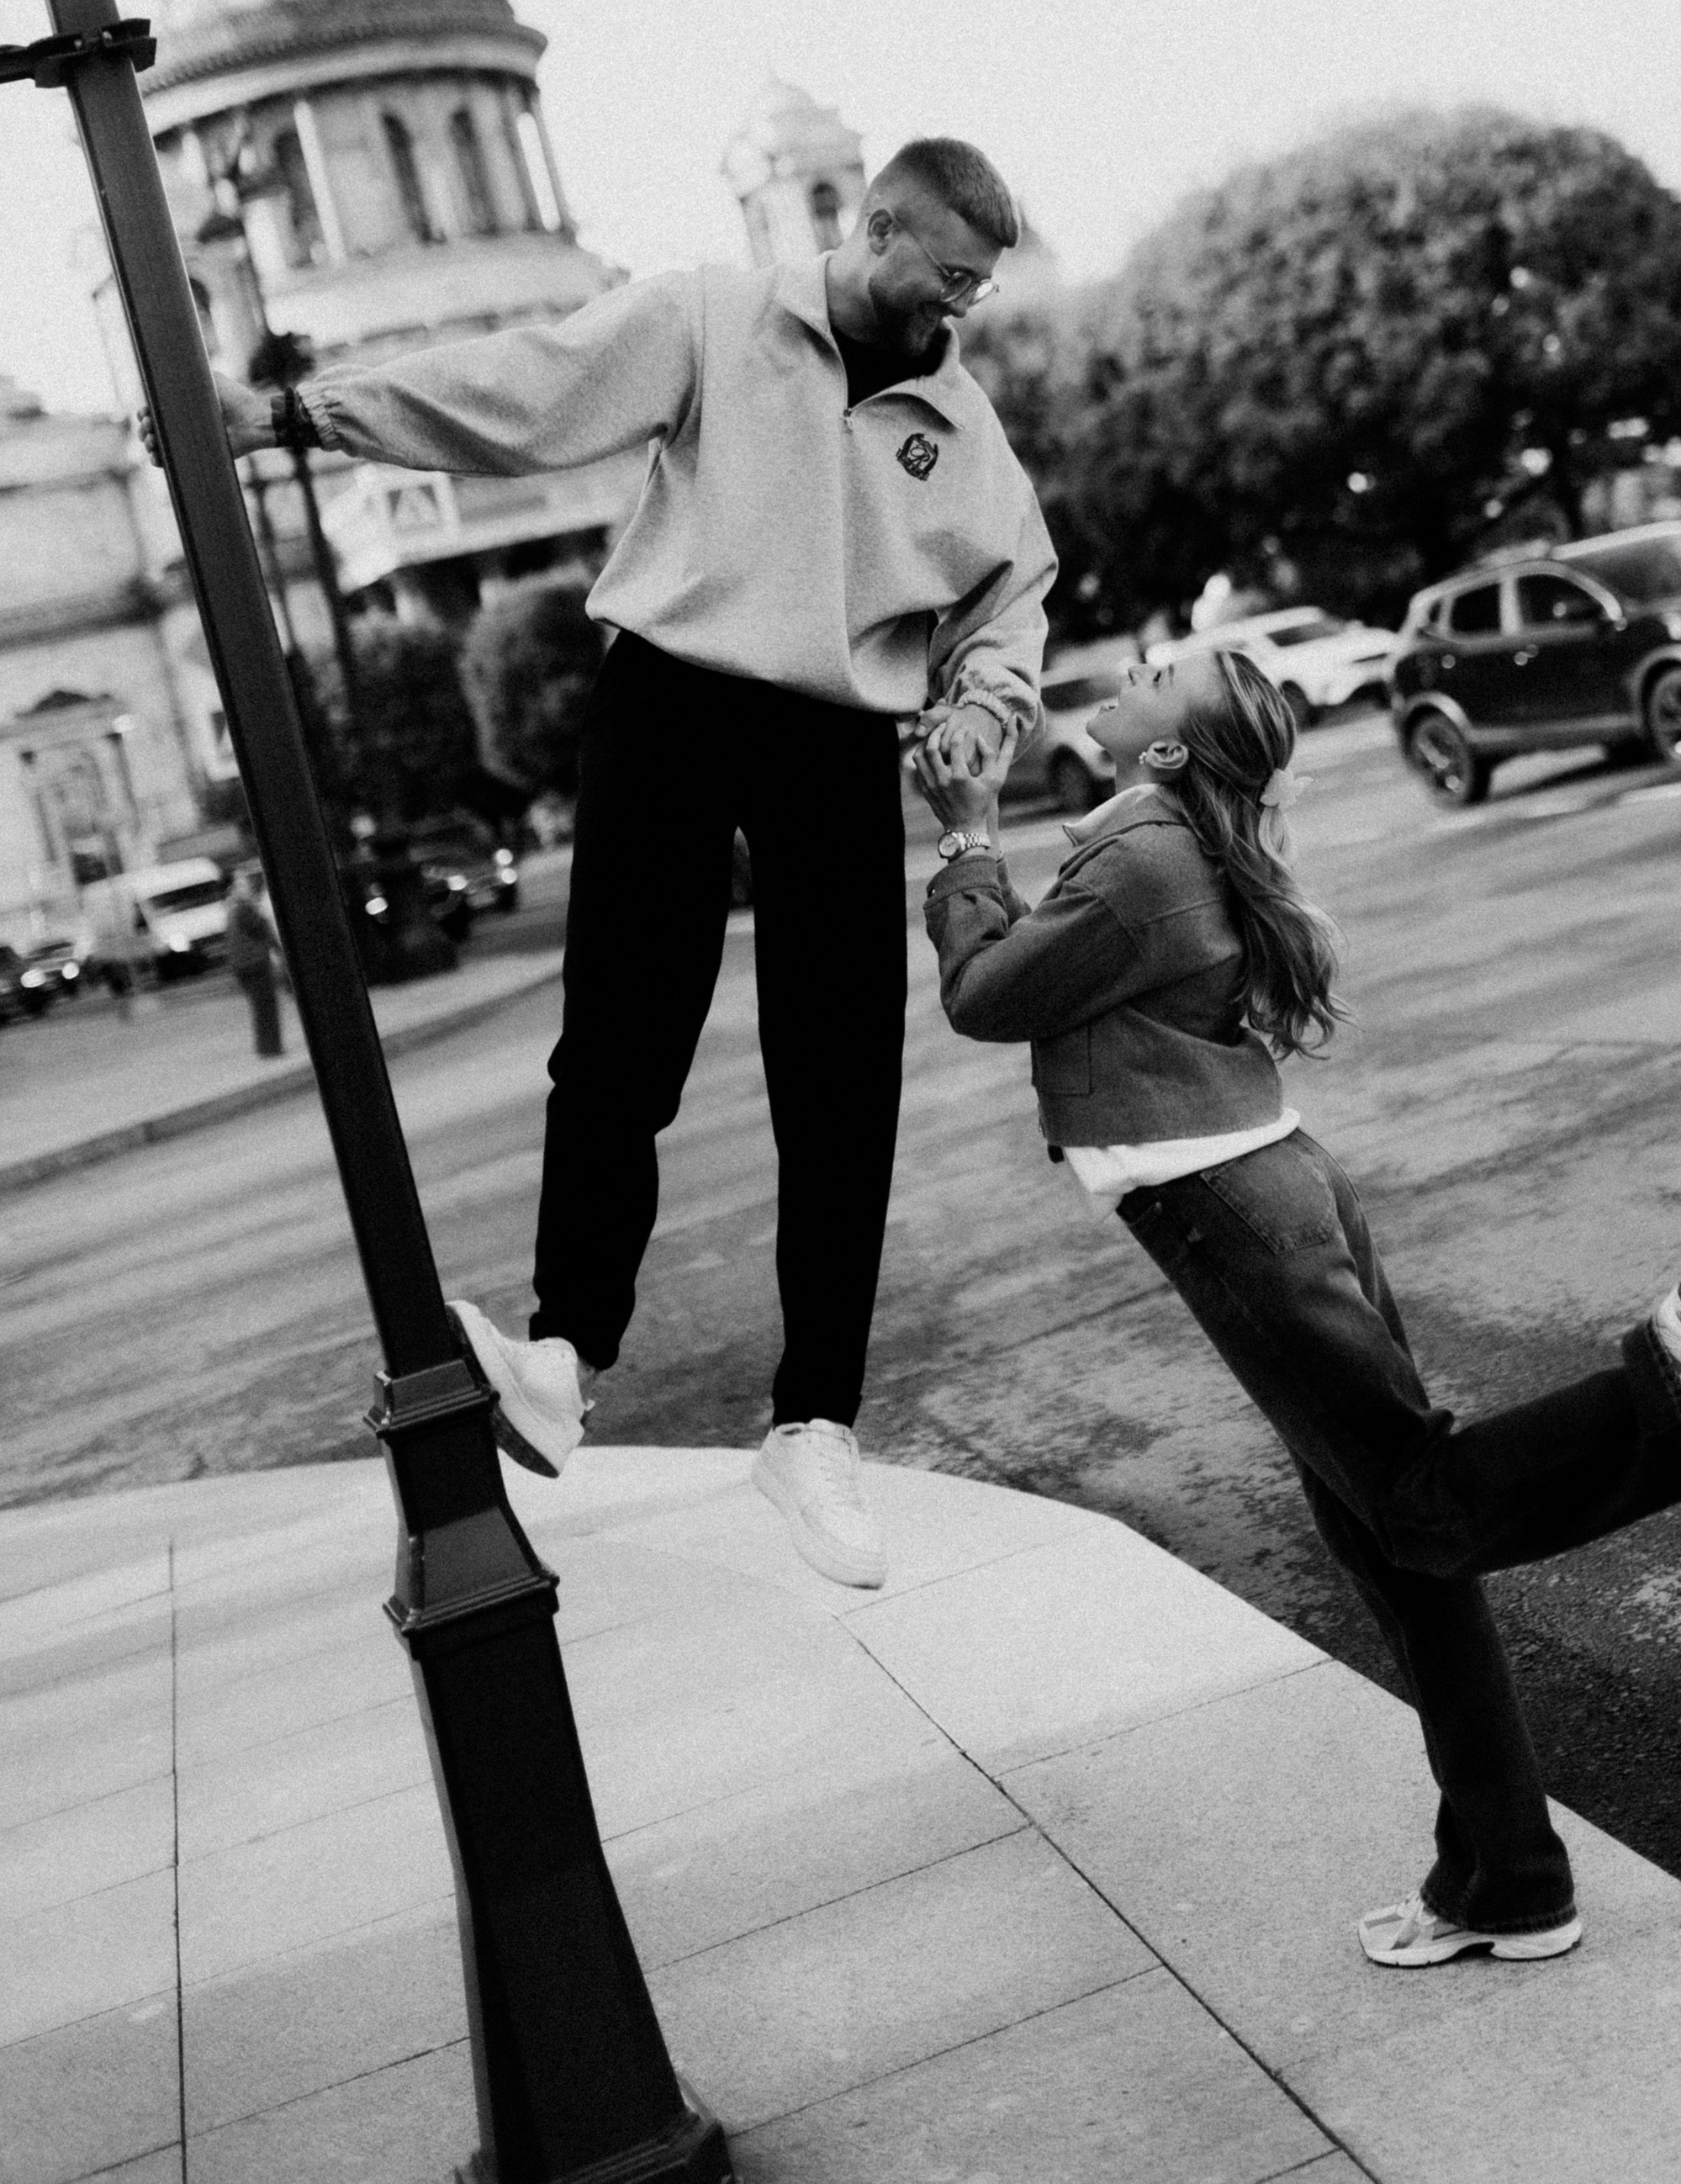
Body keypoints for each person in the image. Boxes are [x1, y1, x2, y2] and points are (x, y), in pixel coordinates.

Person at [911, 643, 1681, 1967]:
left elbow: (982, 995)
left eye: (1160, 672)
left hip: (1229, 1211)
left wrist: (965, 839)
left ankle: (1676, 1401)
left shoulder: (1139, 865)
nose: (1132, 666)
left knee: (1422, 1505)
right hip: (1273, 1190)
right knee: (1397, 1555)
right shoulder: (1158, 840)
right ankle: (1510, 1882)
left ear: (1171, 750)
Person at [211, 138, 1054, 1589]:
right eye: (948, 275)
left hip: (834, 738)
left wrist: (984, 706)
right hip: (669, 692)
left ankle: (815, 1427)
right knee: (618, 1037)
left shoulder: (959, 427)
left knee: (843, 1082)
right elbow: (528, 388)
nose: (960, 308)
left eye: (981, 285)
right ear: (875, 228)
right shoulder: (712, 316)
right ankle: (564, 1351)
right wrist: (297, 416)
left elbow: (1010, 592)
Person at [225, 868, 284, 1057]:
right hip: (254, 963)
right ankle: (270, 1048)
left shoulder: (233, 908)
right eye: (242, 884)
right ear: (234, 888)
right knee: (266, 1006)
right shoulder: (243, 908)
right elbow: (259, 928)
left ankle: (267, 1047)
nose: (247, 887)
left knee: (261, 1006)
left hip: (244, 964)